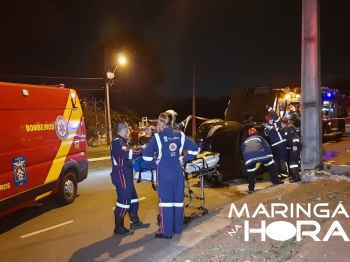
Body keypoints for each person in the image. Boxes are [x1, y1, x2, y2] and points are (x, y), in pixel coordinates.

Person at [142, 112, 199, 239]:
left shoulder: (157, 137)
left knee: (166, 202)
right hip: (177, 170)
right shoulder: (181, 135)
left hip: (164, 170)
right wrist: (183, 160)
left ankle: (166, 232)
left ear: (162, 122)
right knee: (178, 200)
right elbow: (195, 149)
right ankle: (177, 229)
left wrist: (155, 164)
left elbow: (146, 155)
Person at [110, 122, 150, 235]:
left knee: (133, 199)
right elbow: (128, 154)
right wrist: (143, 149)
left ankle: (135, 221)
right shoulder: (117, 142)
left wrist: (141, 148)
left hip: (126, 174)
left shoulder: (122, 141)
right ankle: (119, 227)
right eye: (128, 129)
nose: (129, 131)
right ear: (123, 129)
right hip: (121, 175)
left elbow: (130, 152)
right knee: (124, 201)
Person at [241, 127, 283, 194]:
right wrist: (270, 156)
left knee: (250, 173)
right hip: (262, 155)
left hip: (249, 158)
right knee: (271, 165)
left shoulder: (245, 141)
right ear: (256, 132)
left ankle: (251, 188)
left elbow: (243, 151)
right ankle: (276, 181)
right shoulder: (260, 138)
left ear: (249, 134)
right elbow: (267, 146)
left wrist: (247, 161)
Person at [264, 113, 289, 180]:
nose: (270, 121)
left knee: (282, 159)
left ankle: (285, 173)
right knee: (276, 160)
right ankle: (279, 174)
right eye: (268, 120)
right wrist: (268, 129)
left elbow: (276, 117)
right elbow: (266, 134)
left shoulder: (277, 123)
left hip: (281, 143)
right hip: (274, 145)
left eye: (270, 119)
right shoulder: (267, 126)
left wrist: (269, 109)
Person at [280, 117, 302, 183]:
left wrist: (294, 145)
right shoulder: (289, 127)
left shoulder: (289, 128)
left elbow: (295, 137)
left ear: (283, 123)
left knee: (293, 163)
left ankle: (296, 177)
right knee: (293, 162)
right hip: (294, 146)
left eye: (281, 123)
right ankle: (294, 176)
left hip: (294, 146)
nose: (281, 125)